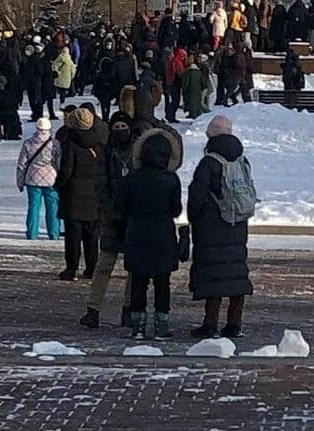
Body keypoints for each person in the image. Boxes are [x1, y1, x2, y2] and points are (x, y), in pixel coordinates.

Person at [187, 114, 255, 339]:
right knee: (236, 273)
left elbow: (197, 196)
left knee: (214, 275)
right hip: (238, 224)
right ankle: (234, 323)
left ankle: (210, 324)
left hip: (212, 225)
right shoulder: (241, 159)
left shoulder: (209, 162)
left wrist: (194, 218)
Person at [118, 131, 182, 340]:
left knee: (139, 281)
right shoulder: (171, 179)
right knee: (162, 282)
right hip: (163, 234)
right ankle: (161, 325)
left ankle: (138, 325)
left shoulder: (132, 178)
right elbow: (176, 210)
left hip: (137, 232)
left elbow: (121, 207)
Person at [81, 111, 136, 330]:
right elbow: (101, 187)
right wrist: (110, 214)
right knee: (104, 265)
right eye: (117, 127)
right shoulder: (106, 153)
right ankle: (93, 309)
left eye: (124, 127)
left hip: (133, 218)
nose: (121, 132)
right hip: (112, 219)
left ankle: (129, 309)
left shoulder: (137, 152)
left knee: (134, 268)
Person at [55, 106, 103, 281]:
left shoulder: (71, 143)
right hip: (94, 195)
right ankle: (92, 268)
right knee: (92, 235)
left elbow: (66, 170)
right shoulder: (99, 142)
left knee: (73, 236)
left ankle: (72, 268)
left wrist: (59, 184)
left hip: (74, 195)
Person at [16, 116, 60, 241]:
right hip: (51, 179)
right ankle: (54, 233)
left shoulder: (28, 143)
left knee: (33, 206)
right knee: (52, 207)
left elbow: (21, 164)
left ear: (37, 128)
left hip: (32, 178)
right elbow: (59, 163)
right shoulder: (55, 144)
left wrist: (20, 181)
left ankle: (32, 233)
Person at [51, 37, 76, 103]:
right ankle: (63, 100)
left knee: (58, 89)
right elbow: (73, 69)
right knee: (63, 91)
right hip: (67, 78)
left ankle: (57, 98)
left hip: (59, 77)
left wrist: (56, 72)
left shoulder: (59, 58)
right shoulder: (70, 60)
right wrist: (72, 76)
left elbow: (54, 66)